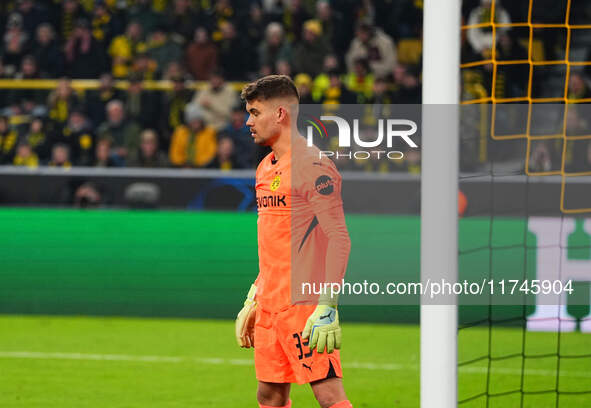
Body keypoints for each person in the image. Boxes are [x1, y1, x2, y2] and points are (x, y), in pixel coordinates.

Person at [235, 75, 353, 408]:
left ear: (281, 114)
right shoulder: (264, 168)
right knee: (269, 395)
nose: (248, 121)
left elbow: (338, 239)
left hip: (305, 306)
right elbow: (273, 241)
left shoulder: (314, 166)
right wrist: (254, 296)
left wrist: (328, 306)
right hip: (271, 304)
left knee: (328, 395)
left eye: (255, 112)